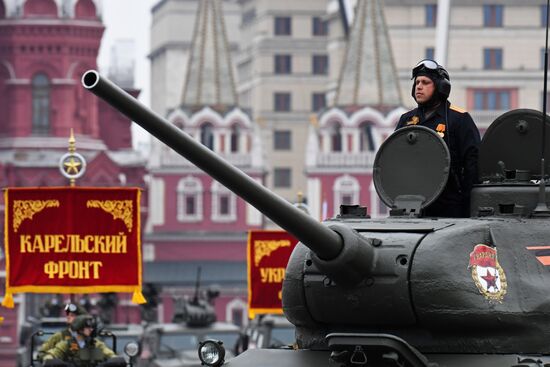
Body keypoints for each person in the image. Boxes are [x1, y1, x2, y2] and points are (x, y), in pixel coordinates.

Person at [395, 59, 481, 218]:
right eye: (417, 82)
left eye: (425, 82)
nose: (419, 86)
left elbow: (473, 163)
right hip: (411, 206)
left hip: (450, 206)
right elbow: (394, 160)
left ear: (441, 88)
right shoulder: (406, 120)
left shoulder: (459, 119)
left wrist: (469, 202)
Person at [42, 314, 116, 365]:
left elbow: (108, 353)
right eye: (88, 327)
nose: (91, 329)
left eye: (92, 327)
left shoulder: (96, 344)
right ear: (80, 329)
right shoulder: (66, 344)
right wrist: (49, 358)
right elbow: (53, 353)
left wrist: (114, 358)